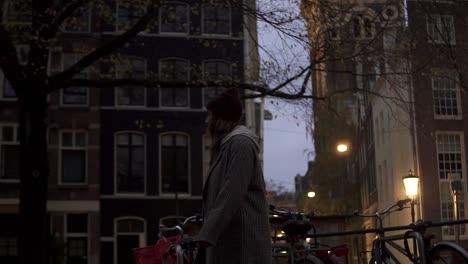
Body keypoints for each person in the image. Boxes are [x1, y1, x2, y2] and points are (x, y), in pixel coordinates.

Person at [194, 88, 272, 264]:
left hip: (243, 246)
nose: (207, 121)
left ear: (219, 120)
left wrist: (208, 232)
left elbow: (232, 191)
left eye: (211, 116)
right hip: (231, 242)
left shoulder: (240, 144)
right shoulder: (228, 146)